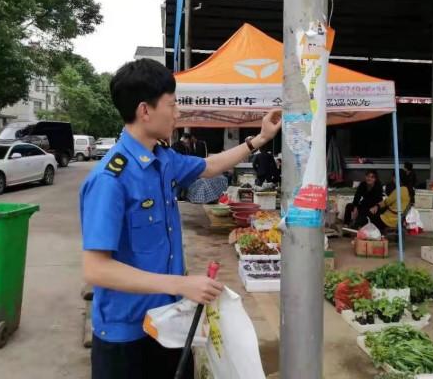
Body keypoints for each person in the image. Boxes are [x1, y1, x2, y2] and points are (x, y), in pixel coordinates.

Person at [79, 58, 281, 379]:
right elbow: (96, 269)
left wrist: (258, 140)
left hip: (169, 324)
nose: (178, 113)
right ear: (145, 111)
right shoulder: (110, 179)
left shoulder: (164, 159)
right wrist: (181, 284)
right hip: (126, 337)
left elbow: (210, 165)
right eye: (172, 105)